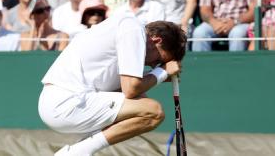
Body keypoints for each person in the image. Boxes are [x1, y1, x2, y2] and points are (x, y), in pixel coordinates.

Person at [38, 13, 187, 156]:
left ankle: (79, 150)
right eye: (158, 60)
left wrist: (157, 75)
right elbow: (131, 89)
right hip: (66, 102)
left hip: (58, 103)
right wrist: (163, 71)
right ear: (157, 40)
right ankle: (79, 152)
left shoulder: (124, 31)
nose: (154, 64)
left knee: (144, 104)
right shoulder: (133, 29)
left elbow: (134, 95)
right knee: (154, 111)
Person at [191, 0, 255, 51]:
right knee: (199, 33)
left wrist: (235, 22)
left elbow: (253, 11)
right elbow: (204, 9)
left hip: (240, 23)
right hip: (216, 21)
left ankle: (236, 63)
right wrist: (214, 23)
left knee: (238, 34)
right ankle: (201, 63)